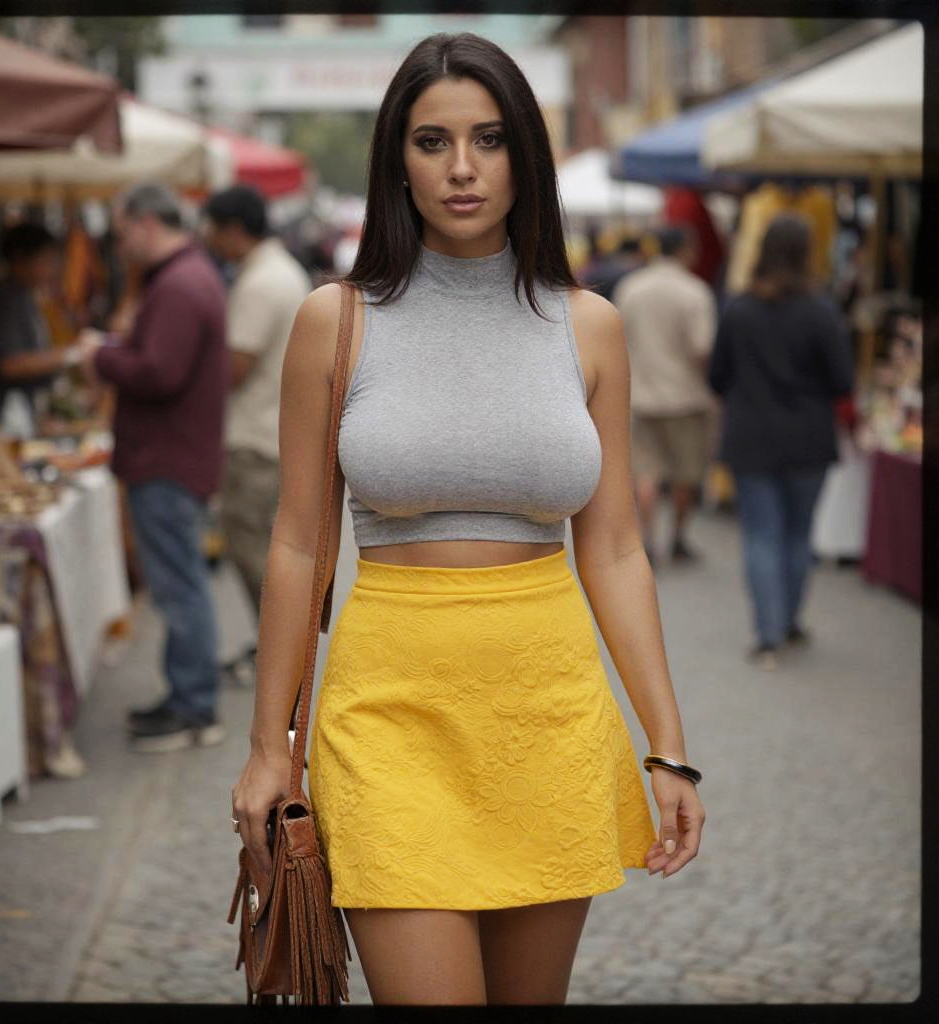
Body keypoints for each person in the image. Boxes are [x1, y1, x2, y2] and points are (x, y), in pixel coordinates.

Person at [231, 32, 705, 1006]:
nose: (460, 168)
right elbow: (296, 542)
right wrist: (266, 744)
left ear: (524, 155)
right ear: (394, 163)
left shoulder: (588, 324)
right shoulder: (337, 318)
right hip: (387, 715)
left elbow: (613, 548)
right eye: (431, 141)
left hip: (548, 713)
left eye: (488, 140)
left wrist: (666, 743)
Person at [78, 182, 229, 751]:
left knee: (179, 587)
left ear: (145, 223)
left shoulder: (180, 283)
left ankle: (194, 707)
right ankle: (187, 698)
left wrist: (101, 356)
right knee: (179, 584)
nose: (120, 248)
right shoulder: (187, 277)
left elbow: (159, 372)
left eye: (120, 235)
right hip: (171, 457)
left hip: (166, 460)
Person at [708, 212, 854, 671]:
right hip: (808, 437)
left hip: (751, 435)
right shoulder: (820, 309)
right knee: (797, 534)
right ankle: (788, 621)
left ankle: (768, 634)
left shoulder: (739, 308)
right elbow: (842, 380)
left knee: (762, 536)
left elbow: (717, 376)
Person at [202, 185, 312, 674]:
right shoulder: (280, 272)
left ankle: (278, 651)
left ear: (232, 230)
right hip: (274, 433)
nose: (208, 240)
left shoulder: (262, 282)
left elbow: (236, 367)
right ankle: (277, 647)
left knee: (255, 554)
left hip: (255, 437)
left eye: (212, 229)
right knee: (269, 552)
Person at [612, 224, 718, 565]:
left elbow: (616, 338)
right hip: (684, 395)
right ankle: (678, 539)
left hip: (639, 394)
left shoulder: (631, 287)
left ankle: (648, 540)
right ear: (685, 250)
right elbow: (702, 347)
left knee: (645, 471)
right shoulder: (695, 292)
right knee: (684, 473)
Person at [0, 222, 83, 429]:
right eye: (45, 260)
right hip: (5, 413)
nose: (52, 269)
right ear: (20, 260)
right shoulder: (4, 299)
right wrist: (69, 355)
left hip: (24, 410)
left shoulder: (25, 296)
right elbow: (8, 365)